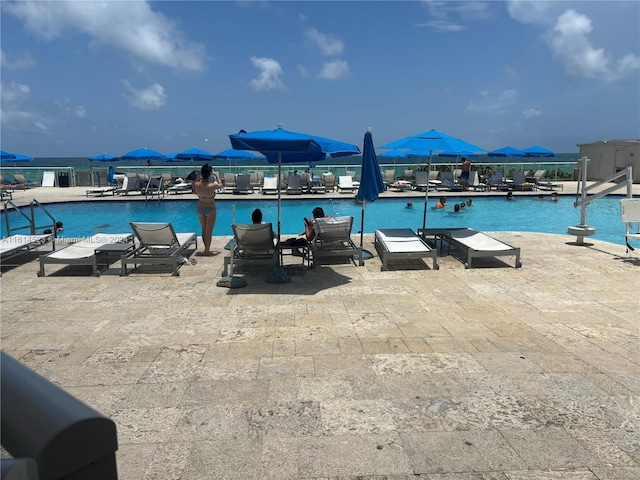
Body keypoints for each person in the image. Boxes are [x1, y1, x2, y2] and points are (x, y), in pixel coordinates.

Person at [192, 163, 221, 256]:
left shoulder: (196, 184)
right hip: (210, 208)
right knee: (209, 231)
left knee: (203, 229)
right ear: (209, 174)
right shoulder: (212, 186)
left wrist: (198, 176)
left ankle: (206, 248)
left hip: (200, 207)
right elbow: (220, 185)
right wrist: (216, 175)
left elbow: (194, 190)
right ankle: (207, 250)